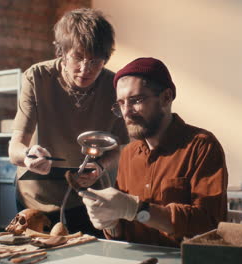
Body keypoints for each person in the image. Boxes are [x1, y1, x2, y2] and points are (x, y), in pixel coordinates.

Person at [79, 57, 228, 247]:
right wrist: (110, 223)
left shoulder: (202, 147)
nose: (126, 112)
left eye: (135, 100)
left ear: (166, 97)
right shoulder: (128, 154)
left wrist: (138, 209)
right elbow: (124, 233)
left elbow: (209, 226)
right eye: (121, 104)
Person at [8, 8, 128, 237]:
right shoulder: (37, 77)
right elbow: (14, 149)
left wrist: (100, 167)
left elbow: (120, 148)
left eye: (95, 61)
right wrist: (28, 157)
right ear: (62, 52)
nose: (86, 69)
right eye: (78, 57)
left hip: (87, 196)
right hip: (36, 197)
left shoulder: (113, 85)